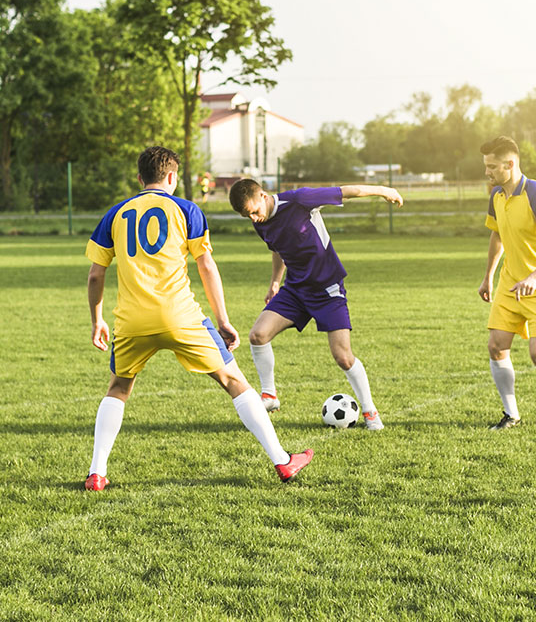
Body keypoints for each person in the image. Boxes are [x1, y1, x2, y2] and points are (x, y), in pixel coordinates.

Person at [83, 146, 312, 491]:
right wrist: (223, 320)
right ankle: (282, 461)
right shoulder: (187, 210)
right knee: (234, 381)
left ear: (140, 178)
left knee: (118, 387)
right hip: (181, 318)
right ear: (172, 176)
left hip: (131, 322)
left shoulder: (115, 214)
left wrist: (97, 319)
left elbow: (95, 276)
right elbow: (205, 266)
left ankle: (96, 473)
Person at [229, 178, 404, 430]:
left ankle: (370, 412)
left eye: (254, 212)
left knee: (343, 356)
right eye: (248, 216)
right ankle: (269, 395)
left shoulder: (299, 200)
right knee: (257, 335)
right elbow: (277, 248)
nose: (254, 219)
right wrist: (275, 283)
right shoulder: (261, 223)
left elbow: (347, 192)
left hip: (327, 289)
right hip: (296, 290)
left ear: (264, 196)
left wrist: (384, 191)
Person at [477, 136, 536, 429]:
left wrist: (535, 277)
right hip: (510, 283)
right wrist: (489, 276)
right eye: (486, 166)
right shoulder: (496, 196)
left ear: (510, 164)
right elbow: (497, 235)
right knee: (496, 346)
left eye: (492, 167)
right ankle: (512, 415)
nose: (487, 172)